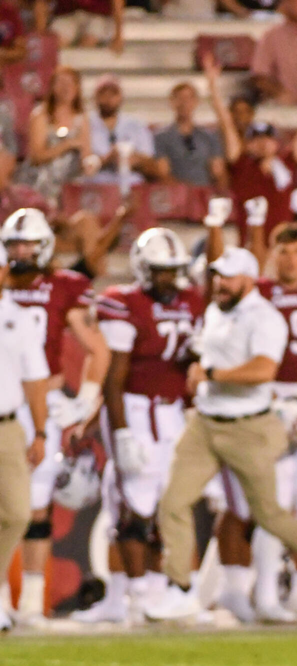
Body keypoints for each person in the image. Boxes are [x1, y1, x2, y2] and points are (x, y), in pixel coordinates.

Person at [150, 247, 297, 621]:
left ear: (248, 279)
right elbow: (209, 354)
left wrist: (212, 374)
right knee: (173, 503)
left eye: (228, 277)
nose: (220, 283)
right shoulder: (216, 310)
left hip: (249, 427)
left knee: (268, 515)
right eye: (217, 276)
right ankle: (180, 588)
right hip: (206, 422)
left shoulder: (266, 318)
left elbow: (264, 370)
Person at [71, 228, 203, 624]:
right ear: (143, 269)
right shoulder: (123, 302)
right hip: (133, 408)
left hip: (172, 410)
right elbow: (115, 376)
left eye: (173, 271)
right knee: (136, 505)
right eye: (161, 271)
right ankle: (141, 593)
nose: (169, 279)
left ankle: (135, 595)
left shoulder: (191, 300)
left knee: (165, 502)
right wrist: (122, 430)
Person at [216, 225, 297, 623]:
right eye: (282, 250)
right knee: (273, 509)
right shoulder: (257, 294)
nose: (290, 259)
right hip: (268, 403)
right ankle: (267, 595)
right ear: (272, 254)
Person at [2, 208, 108, 621]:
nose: (20, 252)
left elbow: (97, 347)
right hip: (7, 398)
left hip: (40, 399)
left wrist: (87, 397)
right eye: (13, 245)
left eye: (27, 244)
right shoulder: (3, 282)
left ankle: (31, 599)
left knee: (36, 505)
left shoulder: (65, 286)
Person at [206, 51, 297, 244]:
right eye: (256, 139)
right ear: (249, 144)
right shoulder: (241, 163)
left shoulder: (287, 161)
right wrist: (212, 86)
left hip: (281, 248)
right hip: (251, 247)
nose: (262, 143)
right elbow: (225, 123)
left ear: (276, 143)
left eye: (267, 138)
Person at [0, 260, 49, 633]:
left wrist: (41, 432)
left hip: (8, 427)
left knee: (18, 514)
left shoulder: (19, 317)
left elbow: (35, 380)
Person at [19, 66, 92, 203]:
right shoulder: (40, 115)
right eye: (61, 82)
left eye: (71, 83)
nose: (66, 88)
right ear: (52, 87)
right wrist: (66, 145)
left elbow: (86, 154)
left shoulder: (82, 119)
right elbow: (37, 156)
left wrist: (90, 164)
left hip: (69, 182)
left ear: (77, 88)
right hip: (40, 181)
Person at [84, 75, 167, 187]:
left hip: (131, 187)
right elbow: (82, 164)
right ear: (96, 97)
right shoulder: (86, 123)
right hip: (98, 189)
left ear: (120, 97)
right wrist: (107, 159)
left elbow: (151, 163)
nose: (108, 98)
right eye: (103, 93)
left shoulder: (136, 125)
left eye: (113, 94)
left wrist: (135, 159)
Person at [154, 82, 228, 190]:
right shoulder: (161, 138)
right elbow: (163, 172)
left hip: (205, 194)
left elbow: (218, 171)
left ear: (196, 102)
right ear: (172, 102)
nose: (184, 103)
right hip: (177, 195)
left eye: (189, 98)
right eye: (180, 98)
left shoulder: (209, 137)